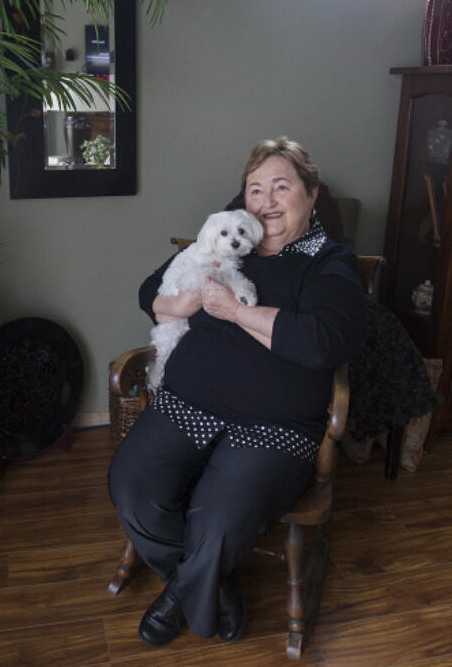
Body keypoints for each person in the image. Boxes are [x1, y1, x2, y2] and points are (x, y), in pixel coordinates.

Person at [107, 136, 365, 646]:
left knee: (218, 522)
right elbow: (149, 292)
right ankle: (216, 585)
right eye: (254, 190)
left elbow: (322, 343)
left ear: (312, 195)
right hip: (187, 403)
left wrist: (237, 312)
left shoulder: (328, 262)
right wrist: (180, 305)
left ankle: (180, 593)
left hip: (274, 426)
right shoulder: (219, 239)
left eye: (281, 187)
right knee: (133, 490)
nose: (265, 201)